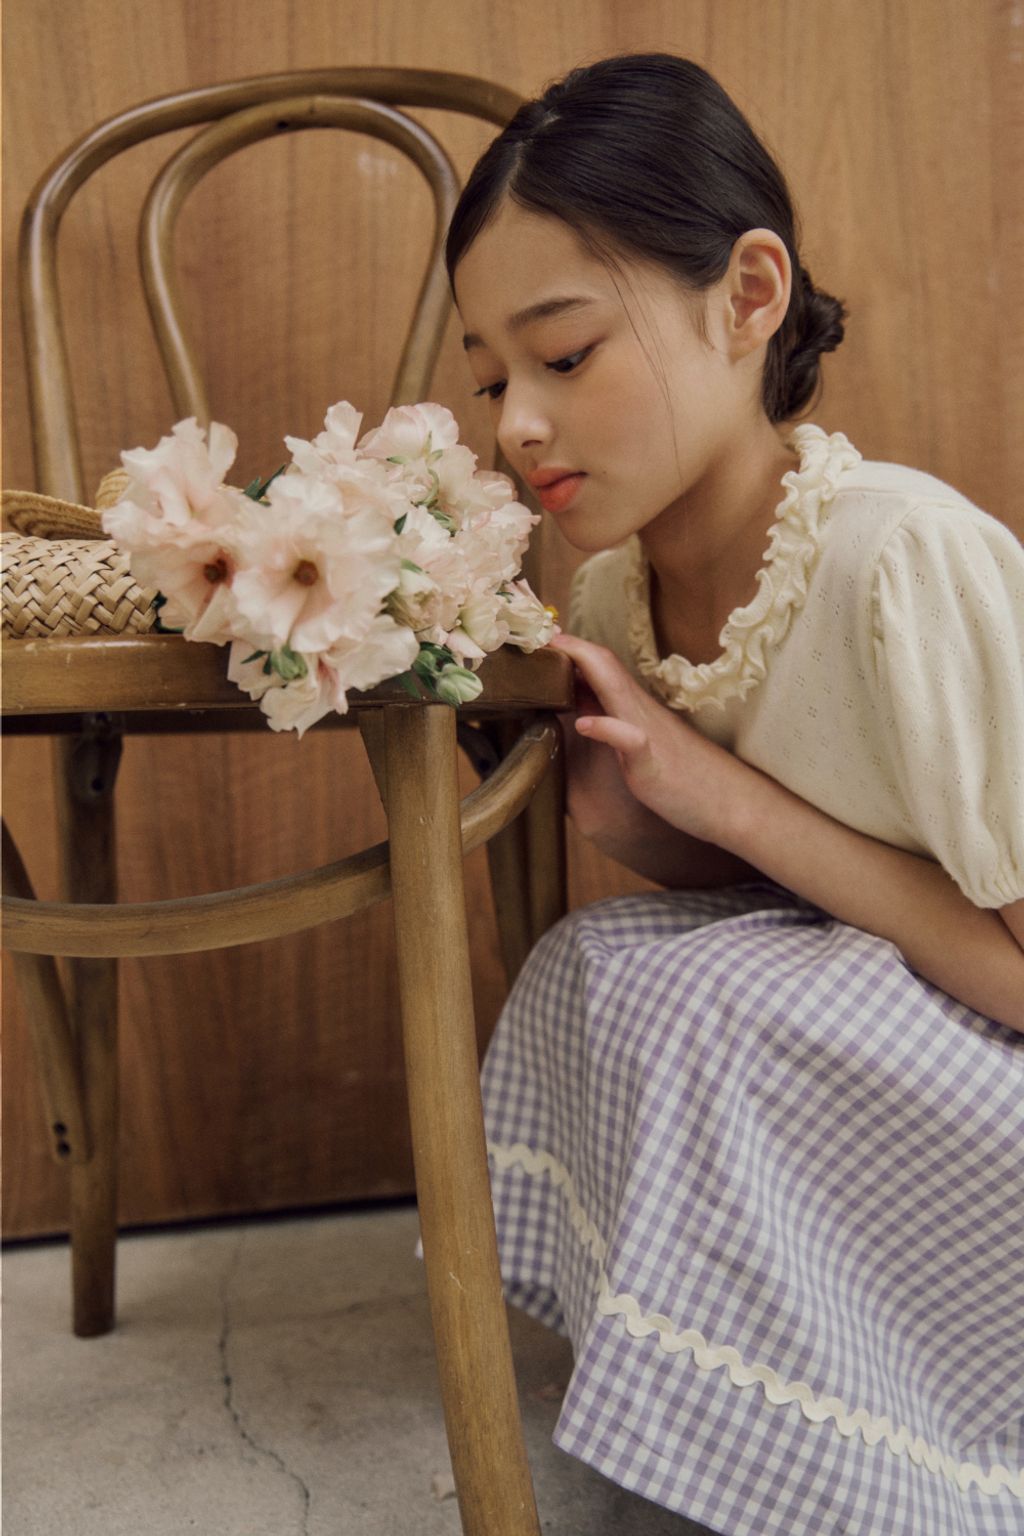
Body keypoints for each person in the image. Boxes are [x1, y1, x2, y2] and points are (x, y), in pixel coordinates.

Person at [447, 52, 1024, 1536]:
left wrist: (733, 804)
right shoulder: (615, 594)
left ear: (749, 294)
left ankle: (895, 1445)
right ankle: (747, 1406)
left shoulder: (900, 557)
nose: (516, 424)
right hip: (921, 1034)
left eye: (565, 354)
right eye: (493, 379)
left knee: (723, 1003)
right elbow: (804, 893)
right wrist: (648, 824)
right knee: (597, 963)